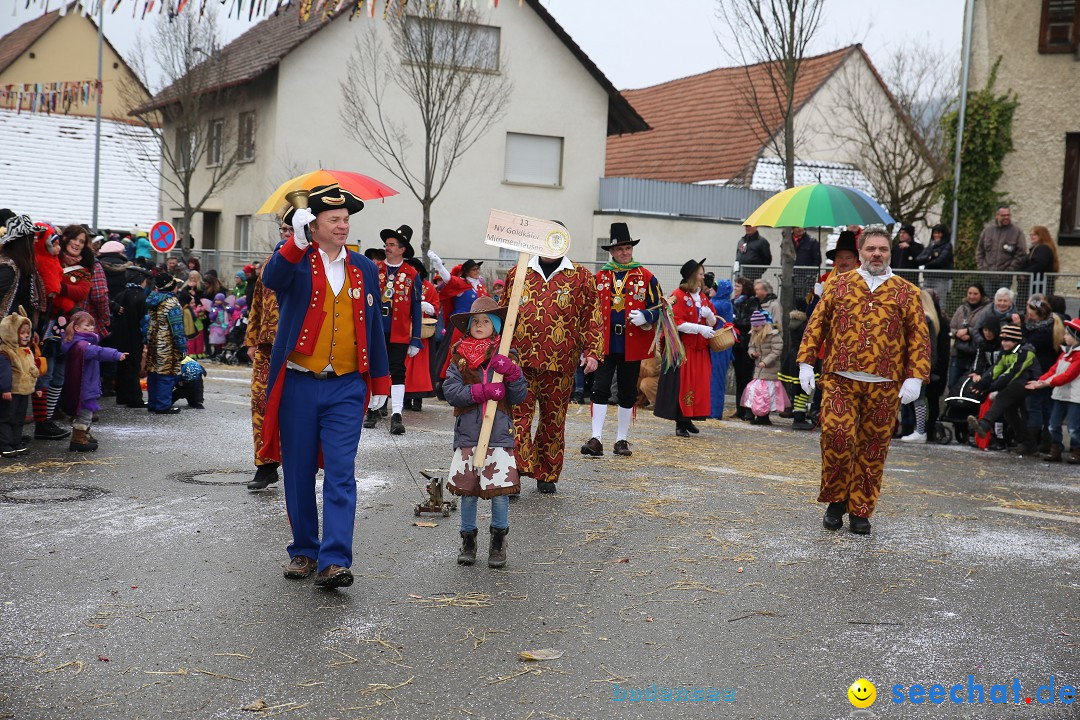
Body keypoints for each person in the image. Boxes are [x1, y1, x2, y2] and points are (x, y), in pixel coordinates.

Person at [260, 183, 390, 589]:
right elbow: (271, 277)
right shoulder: (295, 261)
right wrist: (295, 244)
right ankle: (304, 549)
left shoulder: (364, 267)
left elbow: (374, 326)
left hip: (347, 387)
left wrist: (382, 379)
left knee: (340, 471)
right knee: (298, 471)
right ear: (312, 224)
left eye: (346, 220)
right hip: (299, 384)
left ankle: (334, 560)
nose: (342, 226)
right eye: (334, 220)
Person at [798, 229, 930, 535]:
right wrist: (806, 361)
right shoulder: (839, 284)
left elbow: (918, 339)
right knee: (837, 437)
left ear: (890, 253)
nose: (877, 254)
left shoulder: (906, 291)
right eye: (871, 248)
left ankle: (860, 509)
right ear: (861, 253)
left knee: (873, 448)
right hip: (840, 378)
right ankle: (836, 500)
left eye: (883, 249)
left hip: (885, 383)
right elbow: (817, 323)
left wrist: (915, 377)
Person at [499, 248, 603, 493]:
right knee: (517, 419)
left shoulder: (581, 276)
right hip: (519, 361)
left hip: (561, 362)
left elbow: (592, 317)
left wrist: (593, 352)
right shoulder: (518, 272)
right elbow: (502, 313)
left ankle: (546, 473)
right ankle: (513, 473)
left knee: (553, 420)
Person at [442, 297, 528, 567]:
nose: (479, 325)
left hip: (499, 434)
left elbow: (520, 395)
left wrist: (511, 373)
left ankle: (498, 541)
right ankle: (468, 540)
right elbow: (451, 392)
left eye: (486, 321)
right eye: (475, 321)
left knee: (499, 492)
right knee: (468, 492)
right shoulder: (459, 357)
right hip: (468, 434)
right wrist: (480, 391)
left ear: (497, 326)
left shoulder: (506, 356)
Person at [581, 222, 662, 458]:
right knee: (600, 389)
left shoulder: (646, 277)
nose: (625, 253)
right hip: (604, 342)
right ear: (612, 252)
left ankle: (621, 440)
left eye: (628, 248)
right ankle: (596, 439)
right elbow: (589, 311)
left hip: (631, 342)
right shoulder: (600, 277)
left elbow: (659, 308)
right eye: (620, 249)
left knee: (627, 391)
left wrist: (647, 315)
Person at [364, 224, 422, 435]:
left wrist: (415, 337)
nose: (387, 248)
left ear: (402, 249)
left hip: (399, 332)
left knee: (397, 370)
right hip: (376, 331)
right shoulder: (375, 269)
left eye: (391, 245)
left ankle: (396, 414)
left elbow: (416, 306)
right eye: (386, 244)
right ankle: (372, 408)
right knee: (373, 368)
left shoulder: (412, 274)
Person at [243, 220, 285, 492]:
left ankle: (297, 465)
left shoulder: (314, 266)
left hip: (299, 353)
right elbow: (256, 305)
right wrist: (251, 341)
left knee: (294, 413)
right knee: (261, 406)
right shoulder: (269, 264)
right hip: (267, 349)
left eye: (293, 231)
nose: (287, 235)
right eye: (284, 230)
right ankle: (265, 466)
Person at [653, 259, 718, 437]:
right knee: (683, 384)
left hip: (700, 348)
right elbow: (676, 323)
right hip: (683, 348)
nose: (703, 276)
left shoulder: (702, 296)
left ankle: (689, 418)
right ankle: (680, 422)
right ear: (692, 276)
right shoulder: (678, 295)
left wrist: (710, 316)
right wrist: (699, 328)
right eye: (700, 273)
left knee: (698, 383)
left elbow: (714, 321)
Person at [967, 324, 1041, 455]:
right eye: (1002, 340)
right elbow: (995, 370)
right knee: (1010, 413)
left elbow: (1012, 373)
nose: (1003, 343)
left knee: (1002, 397)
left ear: (1016, 340)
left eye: (1007, 340)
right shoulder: (1005, 352)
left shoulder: (1025, 352)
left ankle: (984, 424)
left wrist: (989, 388)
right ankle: (1029, 444)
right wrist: (981, 384)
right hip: (1014, 383)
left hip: (1027, 383)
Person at [60, 311, 127, 452]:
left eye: (92, 325)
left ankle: (83, 435)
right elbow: (98, 351)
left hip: (82, 384)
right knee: (85, 415)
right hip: (85, 386)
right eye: (87, 325)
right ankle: (79, 439)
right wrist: (116, 354)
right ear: (77, 328)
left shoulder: (74, 342)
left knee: (84, 414)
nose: (91, 328)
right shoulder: (82, 345)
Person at [1028, 318, 1080, 463]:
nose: (1064, 337)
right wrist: (1040, 380)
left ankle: (1077, 450)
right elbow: (1053, 370)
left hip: (1075, 397)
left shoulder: (1078, 355)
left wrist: (1046, 383)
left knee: (1074, 427)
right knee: (1053, 424)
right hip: (1060, 395)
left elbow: (1068, 376)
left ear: (1075, 337)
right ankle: (1055, 448)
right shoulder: (1064, 353)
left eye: (1067, 335)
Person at [145, 274, 187, 414]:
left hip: (152, 341)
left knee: (153, 372)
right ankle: (163, 405)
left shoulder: (153, 300)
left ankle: (153, 403)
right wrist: (182, 347)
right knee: (166, 374)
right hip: (167, 344)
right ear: (172, 287)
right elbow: (177, 327)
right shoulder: (172, 303)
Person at [0, 310, 40, 457]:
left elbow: (33, 369)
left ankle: (16, 442)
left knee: (18, 418)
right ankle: (5, 444)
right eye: (22, 333)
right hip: (11, 392)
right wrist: (5, 389)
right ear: (11, 333)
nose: (26, 336)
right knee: (6, 418)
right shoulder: (6, 352)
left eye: (27, 332)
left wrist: (38, 386)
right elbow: (4, 373)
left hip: (24, 391)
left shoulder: (26, 350)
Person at [1022, 297, 1060, 453]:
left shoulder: (1043, 331)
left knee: (1035, 406)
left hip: (1041, 373)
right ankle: (1045, 440)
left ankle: (1033, 442)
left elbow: (1028, 344)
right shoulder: (1047, 327)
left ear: (1040, 315)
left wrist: (1021, 326)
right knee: (1044, 407)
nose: (1028, 316)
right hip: (1044, 372)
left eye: (1031, 313)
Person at [403, 256, 439, 412]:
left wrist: (429, 307)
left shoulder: (429, 287)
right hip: (404, 331)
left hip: (422, 332)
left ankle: (417, 400)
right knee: (403, 366)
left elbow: (436, 308)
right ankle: (404, 399)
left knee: (420, 370)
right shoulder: (402, 285)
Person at [112, 266, 149, 408]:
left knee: (121, 365)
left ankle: (121, 396)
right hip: (134, 337)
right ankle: (134, 399)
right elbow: (144, 321)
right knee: (133, 367)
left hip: (119, 336)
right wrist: (146, 339)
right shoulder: (141, 297)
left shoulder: (121, 295)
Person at [742, 309, 786, 425]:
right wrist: (752, 354)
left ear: (763, 324)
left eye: (757, 326)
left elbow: (777, 351)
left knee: (766, 393)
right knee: (756, 392)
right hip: (759, 369)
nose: (755, 328)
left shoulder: (773, 335)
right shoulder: (754, 335)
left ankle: (764, 416)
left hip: (769, 369)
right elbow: (751, 347)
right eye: (754, 326)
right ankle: (759, 415)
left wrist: (766, 362)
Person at [948, 283, 990, 390]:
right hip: (958, 353)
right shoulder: (961, 309)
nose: (972, 296)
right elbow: (951, 328)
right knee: (952, 384)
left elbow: (986, 329)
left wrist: (969, 331)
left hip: (975, 354)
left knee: (970, 386)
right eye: (970, 293)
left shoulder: (987, 310)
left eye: (975, 294)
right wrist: (957, 333)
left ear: (981, 295)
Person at [729, 276, 760, 420]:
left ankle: (748, 409)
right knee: (739, 378)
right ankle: (739, 408)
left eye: (738, 286)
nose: (735, 288)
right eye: (734, 286)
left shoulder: (752, 301)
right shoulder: (733, 301)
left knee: (747, 378)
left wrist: (735, 321)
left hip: (747, 344)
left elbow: (752, 321)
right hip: (736, 344)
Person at [708, 277, 735, 420]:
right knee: (715, 378)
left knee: (715, 379)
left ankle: (714, 412)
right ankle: (711, 410)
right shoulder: (723, 302)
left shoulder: (719, 304)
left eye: (714, 288)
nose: (710, 289)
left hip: (719, 346)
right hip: (719, 345)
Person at [976, 204, 1026, 272]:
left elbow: (1021, 253)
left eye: (1008, 215)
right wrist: (981, 267)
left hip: (1006, 275)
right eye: (1003, 215)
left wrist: (1011, 269)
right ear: (997, 216)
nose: (1006, 217)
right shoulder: (987, 231)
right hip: (987, 273)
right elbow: (980, 250)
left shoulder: (1017, 232)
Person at [915, 223, 954, 298]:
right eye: (935, 233)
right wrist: (928, 258)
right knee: (925, 300)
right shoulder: (931, 246)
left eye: (939, 233)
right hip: (928, 277)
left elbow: (941, 260)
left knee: (939, 300)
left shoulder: (947, 246)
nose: (936, 235)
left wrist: (927, 263)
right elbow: (919, 258)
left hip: (941, 278)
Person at [1020, 226, 1060, 294]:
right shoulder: (1040, 248)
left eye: (1034, 235)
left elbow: (1040, 264)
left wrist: (1025, 273)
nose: (1032, 237)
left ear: (1041, 235)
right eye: (1031, 235)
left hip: (1037, 286)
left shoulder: (1043, 248)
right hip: (1035, 285)